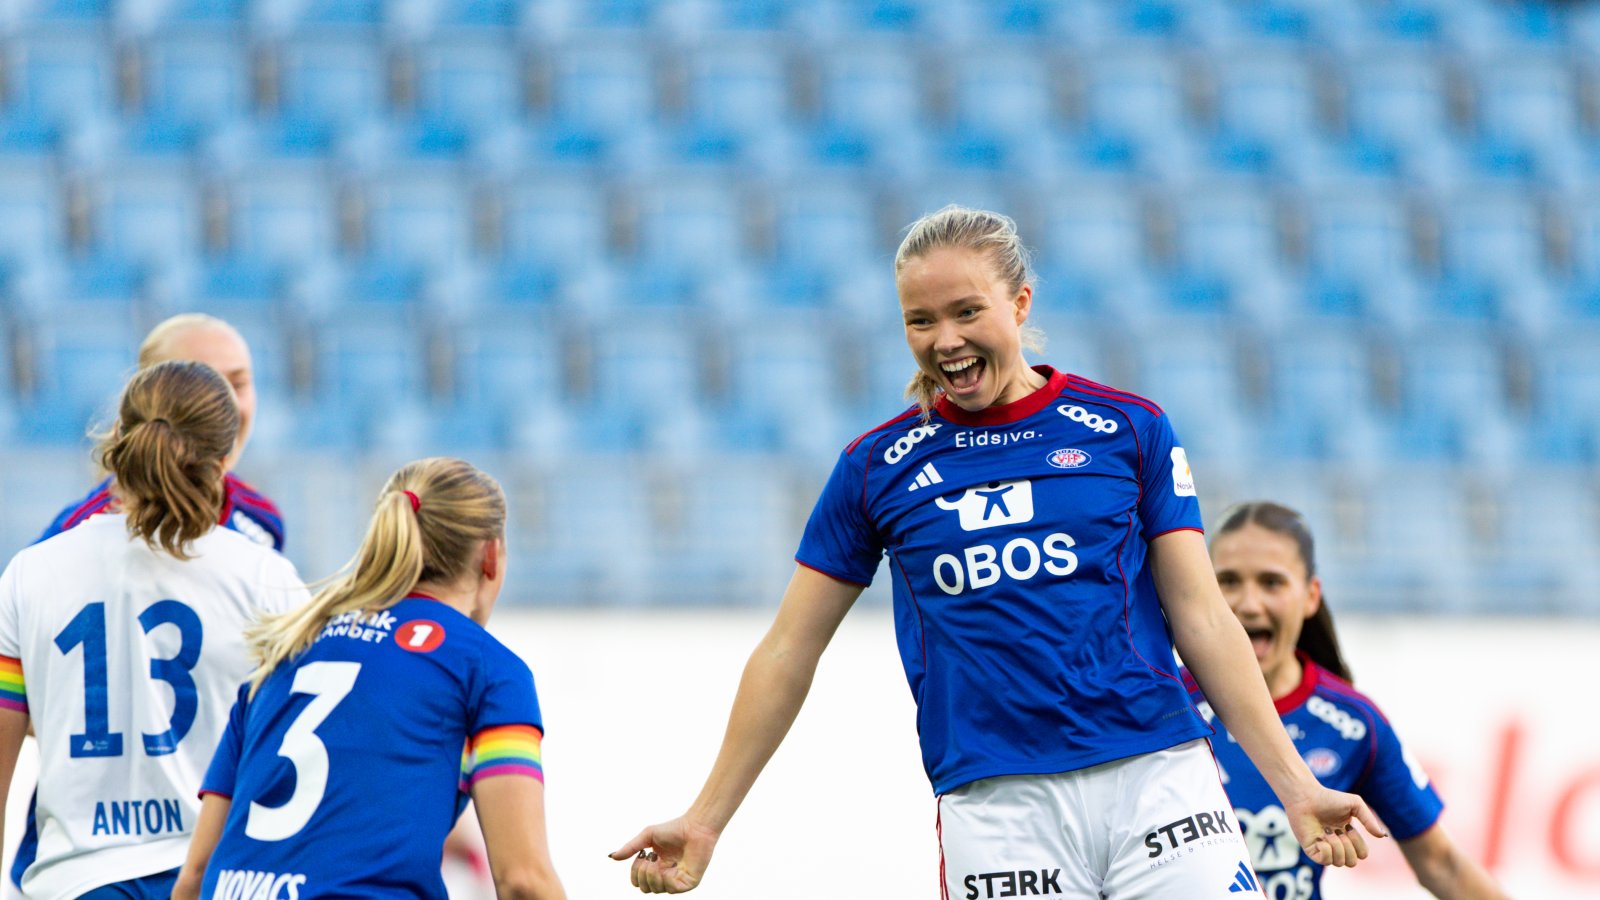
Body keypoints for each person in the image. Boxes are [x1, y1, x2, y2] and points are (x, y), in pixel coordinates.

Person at [612, 206, 1385, 896]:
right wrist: (706, 819)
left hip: (1158, 777)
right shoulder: (875, 468)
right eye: (920, 321)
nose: (945, 341)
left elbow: (1203, 617)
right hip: (998, 808)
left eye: (966, 311)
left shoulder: (1129, 429)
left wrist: (1294, 785)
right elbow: (788, 648)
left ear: (1019, 303)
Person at [171, 458, 566, 900]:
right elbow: (523, 880)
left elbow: (195, 875)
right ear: (491, 556)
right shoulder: (487, 668)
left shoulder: (284, 649)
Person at [0, 360, 309, 899]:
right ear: (225, 460)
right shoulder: (268, 580)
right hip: (217, 879)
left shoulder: (32, 573)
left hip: (74, 882)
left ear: (119, 440)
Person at [1194, 501, 1510, 899]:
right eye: (1228, 581)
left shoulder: (1354, 724)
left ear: (1311, 596)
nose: (1249, 604)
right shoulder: (1167, 706)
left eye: (1271, 583)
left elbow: (1441, 866)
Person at [37, 313, 284, 552]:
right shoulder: (72, 538)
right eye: (203, 388)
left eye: (239, 384)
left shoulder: (261, 520)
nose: (229, 407)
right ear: (148, 397)